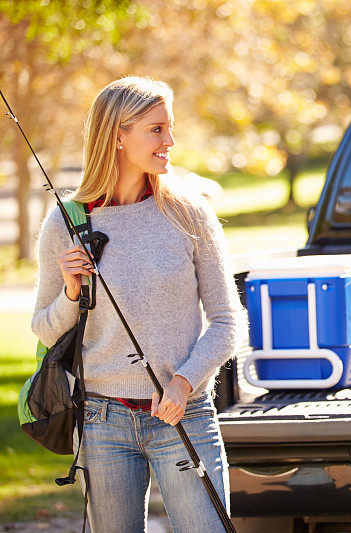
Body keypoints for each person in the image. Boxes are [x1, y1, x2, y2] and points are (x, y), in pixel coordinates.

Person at [31, 76, 242, 532]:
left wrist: (184, 382)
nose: (170, 141)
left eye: (170, 128)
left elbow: (228, 322)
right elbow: (47, 332)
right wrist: (71, 290)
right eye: (157, 129)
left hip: (184, 413)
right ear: (117, 136)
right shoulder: (65, 223)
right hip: (101, 422)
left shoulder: (190, 213)